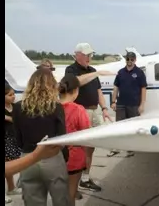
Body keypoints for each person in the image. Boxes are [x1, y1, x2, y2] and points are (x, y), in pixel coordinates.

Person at [12, 68, 71, 206]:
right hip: (52, 158)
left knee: (32, 201)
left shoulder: (18, 107)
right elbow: (62, 138)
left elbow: (18, 140)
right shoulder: (56, 107)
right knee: (61, 200)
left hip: (28, 158)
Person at [65, 42, 112, 192]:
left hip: (94, 111)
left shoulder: (92, 70)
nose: (89, 57)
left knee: (91, 146)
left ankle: (85, 178)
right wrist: (96, 74)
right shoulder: (71, 70)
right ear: (77, 55)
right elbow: (77, 82)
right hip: (80, 112)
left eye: (90, 54)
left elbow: (98, 91)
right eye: (86, 55)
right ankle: (73, 185)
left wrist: (104, 108)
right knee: (77, 148)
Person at [58, 74, 91, 206]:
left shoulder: (51, 108)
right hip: (74, 157)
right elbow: (86, 132)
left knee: (59, 192)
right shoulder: (78, 110)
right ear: (75, 91)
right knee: (70, 193)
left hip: (53, 156)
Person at [108, 51, 147, 157]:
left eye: (131, 59)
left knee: (132, 127)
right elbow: (116, 87)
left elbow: (143, 88)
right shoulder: (120, 72)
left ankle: (131, 149)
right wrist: (113, 101)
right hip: (121, 104)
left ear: (135, 60)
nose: (129, 61)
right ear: (126, 60)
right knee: (119, 127)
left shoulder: (139, 72)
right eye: (128, 59)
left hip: (134, 104)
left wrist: (142, 104)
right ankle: (117, 147)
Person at [5, 84, 22, 204]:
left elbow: (19, 121)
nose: (13, 97)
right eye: (9, 95)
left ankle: (11, 188)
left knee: (10, 164)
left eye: (13, 94)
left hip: (13, 139)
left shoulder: (15, 107)